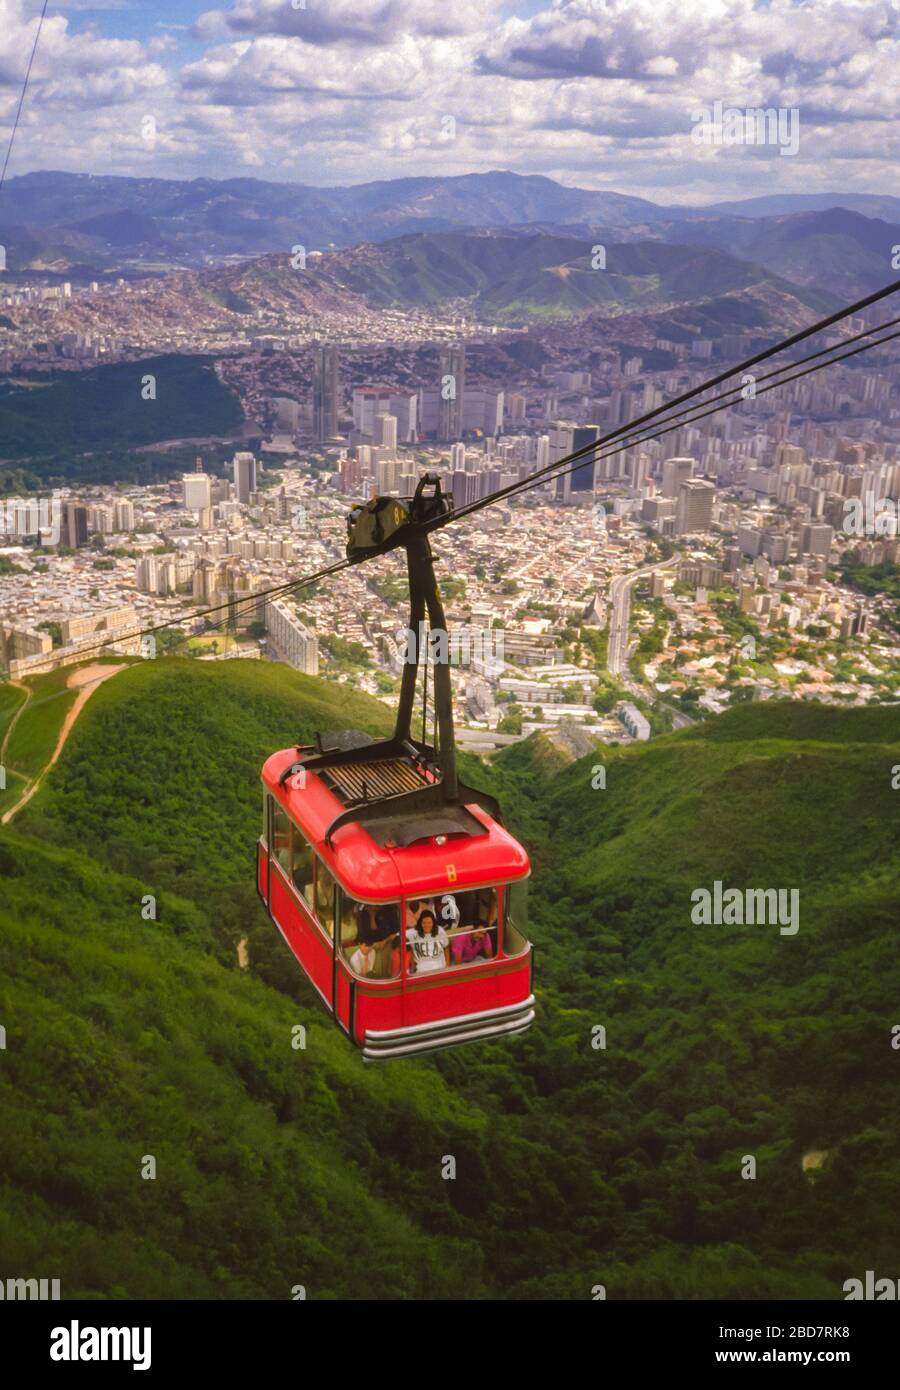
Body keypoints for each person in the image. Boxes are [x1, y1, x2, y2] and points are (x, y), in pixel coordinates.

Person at [356, 902, 401, 978]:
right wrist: (372, 916)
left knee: (384, 971)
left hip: (386, 944)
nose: (373, 907)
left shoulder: (390, 910)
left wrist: (385, 941)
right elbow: (368, 932)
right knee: (372, 970)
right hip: (370, 945)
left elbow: (397, 932)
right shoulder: (364, 912)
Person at [406, 908, 450, 975]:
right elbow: (400, 935)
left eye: (429, 923)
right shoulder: (413, 933)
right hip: (421, 969)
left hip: (440, 967)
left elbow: (446, 947)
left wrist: (447, 966)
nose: (427, 925)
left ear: (433, 923)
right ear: (420, 923)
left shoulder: (440, 930)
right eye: (424, 923)